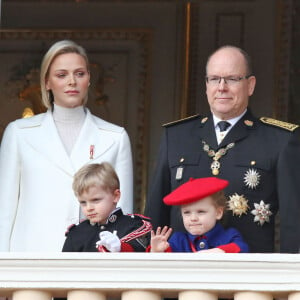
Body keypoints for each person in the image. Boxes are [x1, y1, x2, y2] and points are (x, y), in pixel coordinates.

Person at [145, 45, 300, 253]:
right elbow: (155, 214)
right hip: (180, 275)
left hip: (249, 276)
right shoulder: (176, 136)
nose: (222, 87)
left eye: (232, 79)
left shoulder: (279, 140)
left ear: (250, 85)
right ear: (206, 85)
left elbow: (294, 223)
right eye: (215, 79)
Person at [0, 40, 133, 252]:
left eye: (79, 73)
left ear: (89, 79)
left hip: (91, 258)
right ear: (46, 82)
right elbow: (4, 211)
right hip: (30, 256)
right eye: (62, 75)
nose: (72, 81)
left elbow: (123, 214)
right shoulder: (18, 133)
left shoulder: (115, 137)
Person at [62, 162, 152, 252]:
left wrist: (121, 248)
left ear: (116, 196)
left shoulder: (134, 227)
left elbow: (141, 260)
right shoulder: (76, 233)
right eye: (83, 202)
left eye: (95, 200)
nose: (89, 208)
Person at [149, 177, 248, 253]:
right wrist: (157, 251)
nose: (193, 218)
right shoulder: (178, 240)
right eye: (187, 213)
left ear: (218, 213)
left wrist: (220, 251)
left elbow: (242, 248)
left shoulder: (229, 236)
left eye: (201, 212)